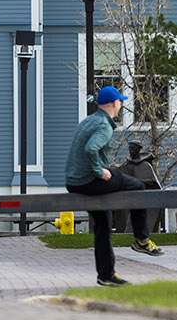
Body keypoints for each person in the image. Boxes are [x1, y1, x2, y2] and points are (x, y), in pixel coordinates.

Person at [65, 85, 165, 287]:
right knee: (137, 186)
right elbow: (91, 149)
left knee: (103, 223)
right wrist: (99, 171)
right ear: (113, 103)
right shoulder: (103, 125)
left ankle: (106, 275)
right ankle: (141, 239)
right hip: (89, 180)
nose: (120, 105)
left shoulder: (88, 121)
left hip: (74, 182)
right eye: (119, 101)